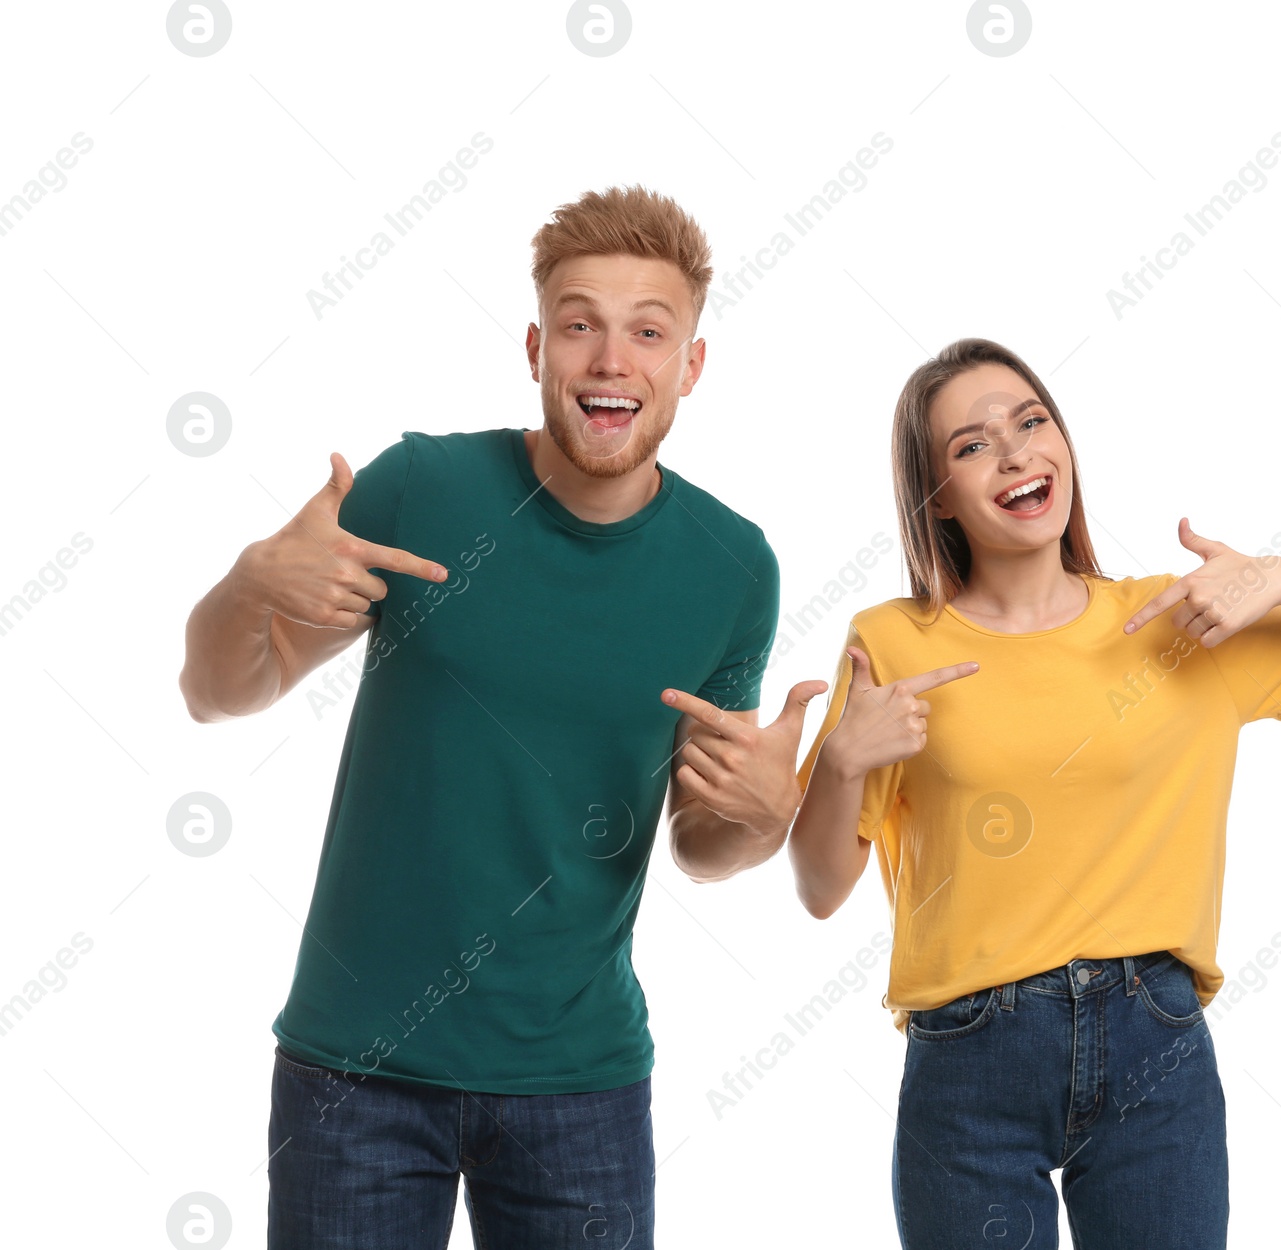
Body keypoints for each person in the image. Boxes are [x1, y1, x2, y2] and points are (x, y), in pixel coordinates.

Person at [179, 184, 823, 1249]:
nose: (612, 359)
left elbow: (705, 843)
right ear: (536, 348)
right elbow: (214, 692)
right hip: (356, 1073)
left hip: (580, 1085)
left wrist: (766, 813)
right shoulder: (421, 486)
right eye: (580, 325)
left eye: (648, 332)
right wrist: (252, 582)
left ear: (690, 366)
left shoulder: (731, 565)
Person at [788, 337, 1281, 1250]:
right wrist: (840, 764)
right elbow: (821, 890)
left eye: (1030, 422)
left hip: (1156, 1043)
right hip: (971, 1054)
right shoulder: (894, 640)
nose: (1016, 453)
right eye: (972, 445)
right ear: (935, 497)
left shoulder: (1180, 618)